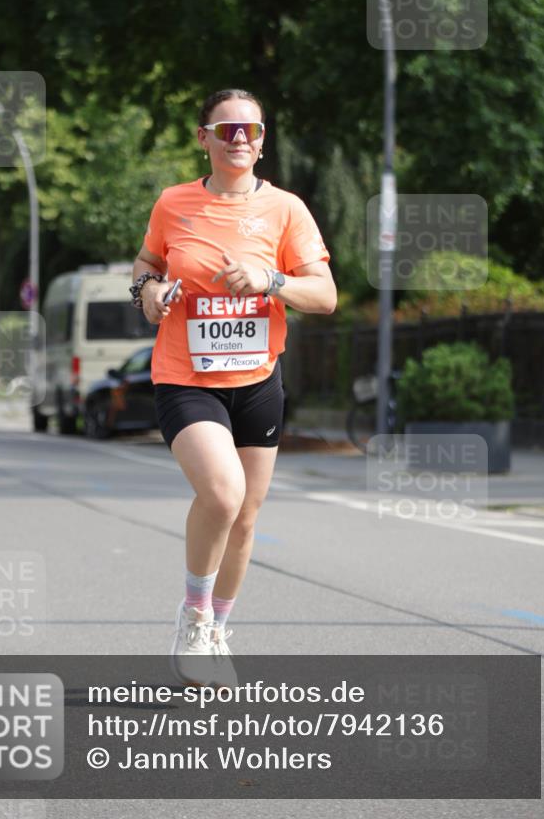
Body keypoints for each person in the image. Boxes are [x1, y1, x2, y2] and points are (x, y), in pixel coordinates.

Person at [131, 89, 337, 683]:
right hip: (186, 377)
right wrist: (147, 292)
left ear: (263, 139)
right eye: (226, 130)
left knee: (245, 516)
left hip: (257, 379)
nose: (239, 138)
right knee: (223, 495)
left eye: (251, 129)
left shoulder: (286, 209)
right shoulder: (173, 202)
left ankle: (218, 628)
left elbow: (324, 296)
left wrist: (271, 279)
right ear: (205, 139)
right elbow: (146, 265)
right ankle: (193, 617)